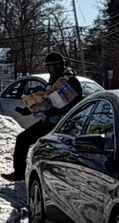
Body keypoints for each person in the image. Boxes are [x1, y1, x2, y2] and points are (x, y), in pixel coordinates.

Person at [12, 51, 85, 185]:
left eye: (51, 67)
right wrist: (29, 109)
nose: (49, 70)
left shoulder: (70, 81)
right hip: (49, 122)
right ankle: (19, 174)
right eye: (47, 67)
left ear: (59, 66)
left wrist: (55, 111)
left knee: (50, 151)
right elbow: (47, 100)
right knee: (22, 139)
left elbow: (75, 103)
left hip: (64, 125)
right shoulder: (52, 81)